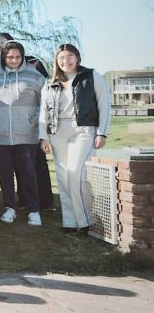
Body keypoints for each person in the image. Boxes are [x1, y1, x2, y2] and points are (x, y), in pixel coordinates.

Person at [39, 44, 110, 234]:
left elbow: (104, 105)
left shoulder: (91, 76)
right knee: (63, 178)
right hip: (57, 132)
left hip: (83, 130)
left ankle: (85, 220)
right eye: (61, 57)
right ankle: (69, 221)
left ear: (77, 57)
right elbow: (43, 112)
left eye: (69, 56)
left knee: (75, 175)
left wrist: (102, 132)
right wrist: (43, 137)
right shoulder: (50, 82)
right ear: (56, 61)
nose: (66, 61)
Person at [0, 41, 45, 226]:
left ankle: (34, 210)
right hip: (0, 134)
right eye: (10, 57)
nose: (14, 60)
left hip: (26, 133)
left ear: (22, 56)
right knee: (5, 173)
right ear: (3, 57)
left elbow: (45, 103)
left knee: (28, 173)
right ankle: (9, 207)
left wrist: (35, 120)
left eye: (17, 56)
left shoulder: (35, 76)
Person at [0, 32, 54, 212]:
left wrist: (37, 121)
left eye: (4, 42)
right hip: (7, 130)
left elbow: (45, 92)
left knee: (36, 165)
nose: (0, 45)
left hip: (30, 128)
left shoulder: (33, 63)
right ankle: (23, 199)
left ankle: (45, 201)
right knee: (16, 166)